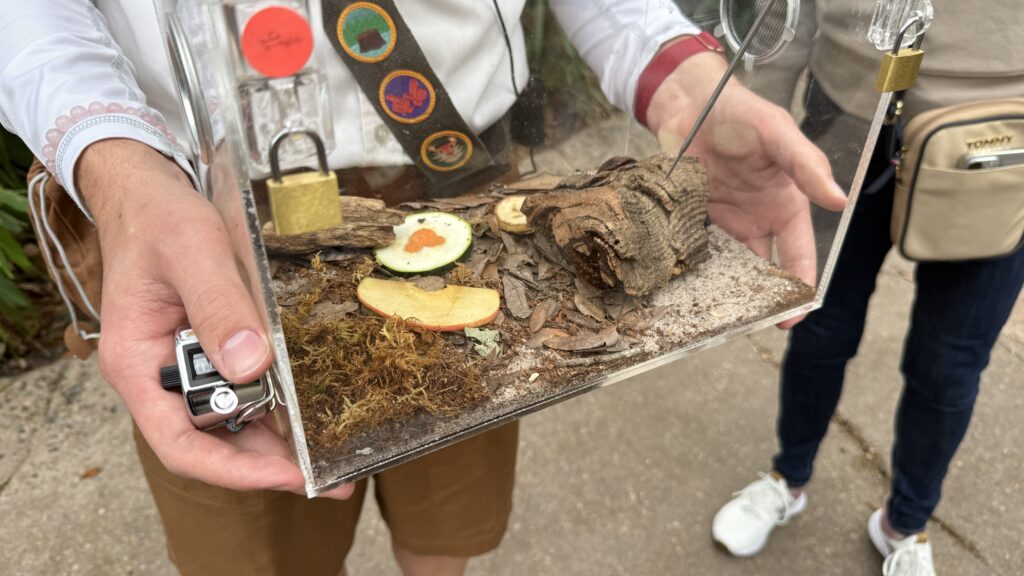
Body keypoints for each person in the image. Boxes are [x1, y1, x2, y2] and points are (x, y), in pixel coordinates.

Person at [1, 1, 844, 574]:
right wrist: (111, 163)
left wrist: (679, 77)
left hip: (460, 191)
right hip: (190, 210)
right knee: (254, 543)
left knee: (450, 513)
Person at [711, 2, 1024, 575]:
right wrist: (762, 104)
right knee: (817, 325)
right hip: (848, 109)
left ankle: (906, 523)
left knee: (949, 367)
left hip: (998, 133)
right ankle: (788, 477)